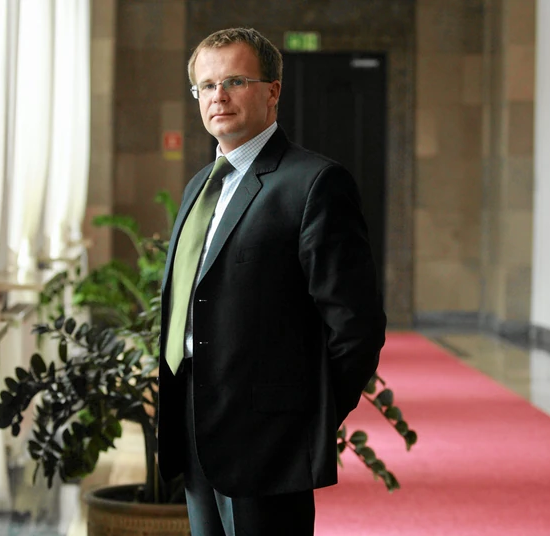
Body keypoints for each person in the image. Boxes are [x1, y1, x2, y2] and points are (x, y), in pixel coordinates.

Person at [157, 27, 387, 536]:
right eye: (206, 85)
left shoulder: (313, 184)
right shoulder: (198, 186)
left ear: (273, 90)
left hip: (268, 439)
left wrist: (305, 421)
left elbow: (356, 326)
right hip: (192, 420)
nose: (219, 96)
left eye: (235, 81)